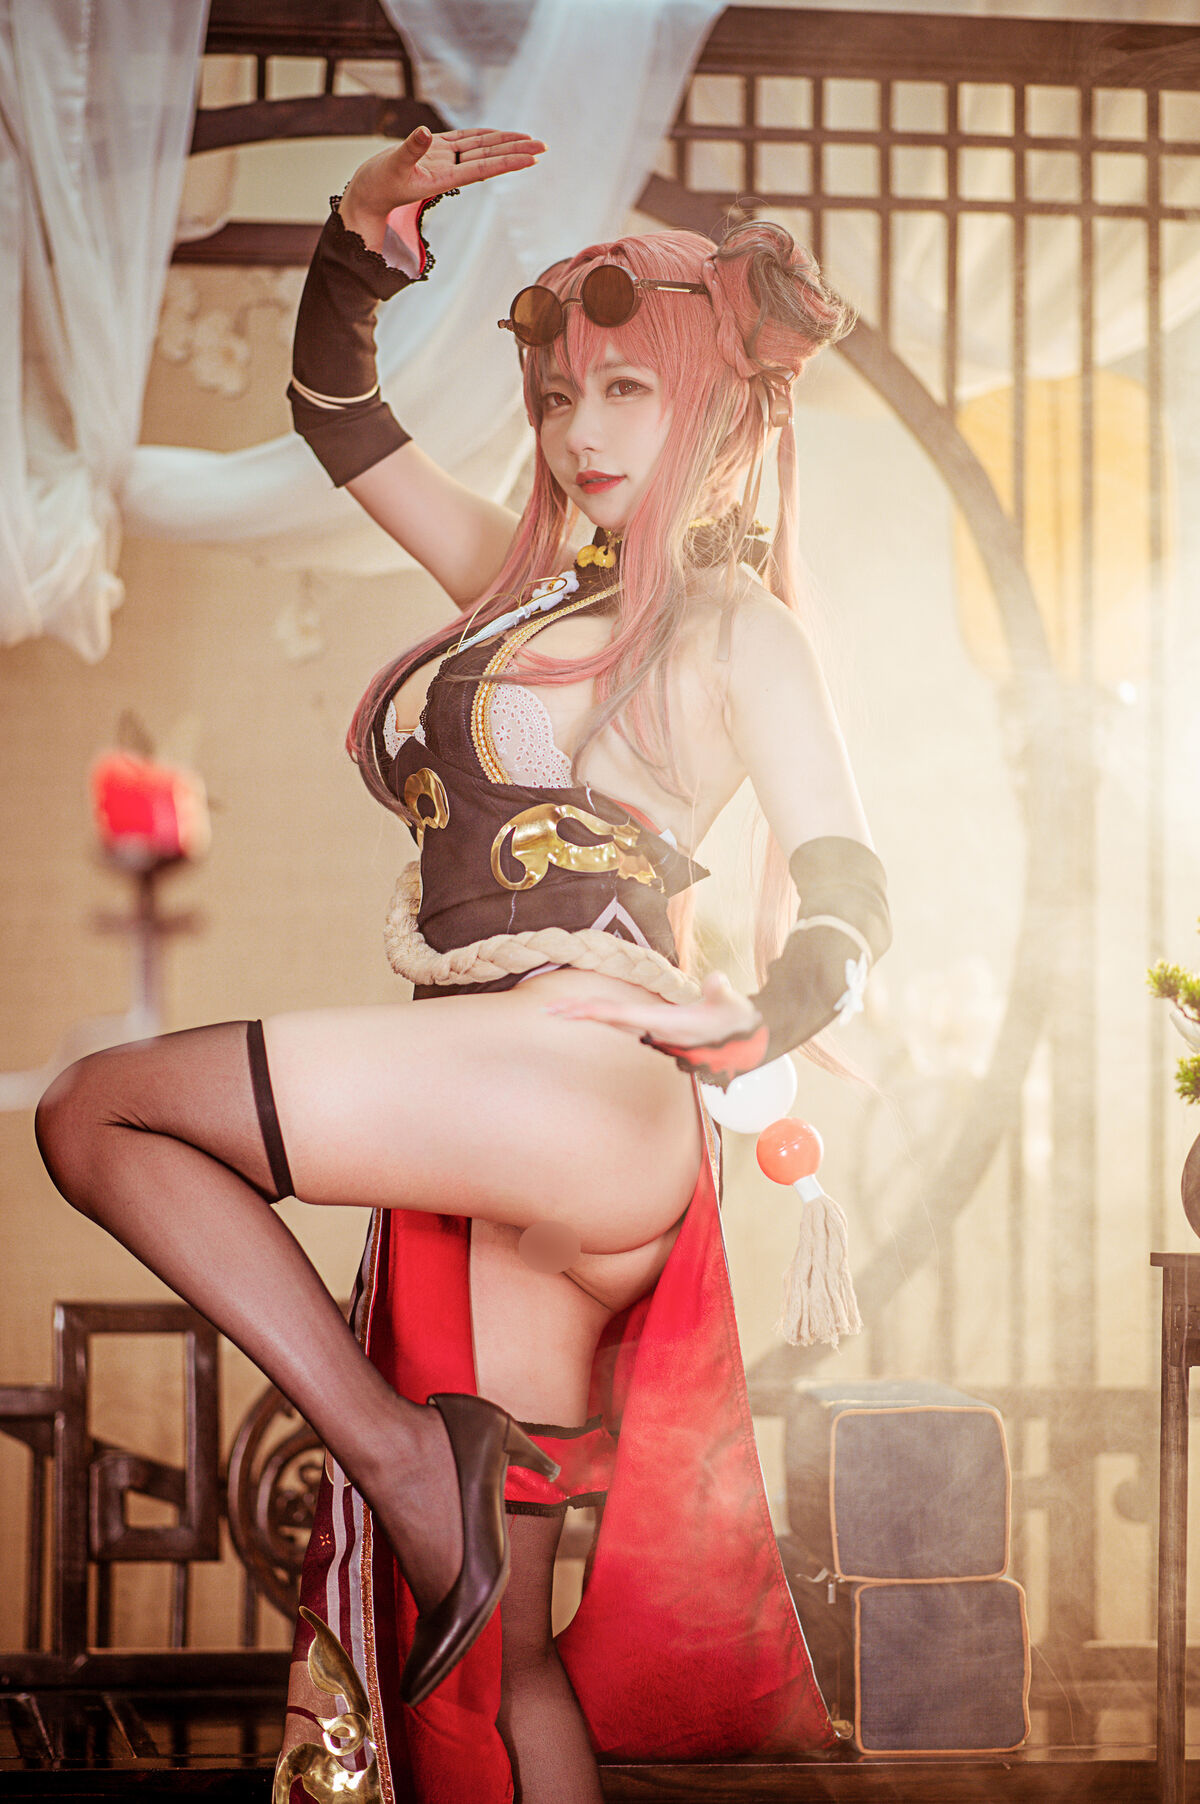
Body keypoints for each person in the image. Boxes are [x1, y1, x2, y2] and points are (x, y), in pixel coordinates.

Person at [35, 125, 890, 1803]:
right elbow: (339, 417)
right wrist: (358, 240)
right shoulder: (515, 588)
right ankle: (429, 1490)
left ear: (720, 411)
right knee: (494, 1654)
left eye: (627, 392)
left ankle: (398, 1463)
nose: (583, 433)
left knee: (98, 1110)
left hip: (592, 1094)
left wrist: (773, 1003)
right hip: (500, 1121)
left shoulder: (738, 630)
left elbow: (851, 879)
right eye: (561, 398)